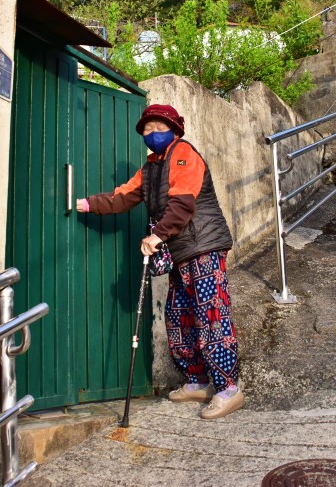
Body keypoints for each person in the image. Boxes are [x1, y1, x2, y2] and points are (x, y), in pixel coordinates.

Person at [76, 104, 243, 419]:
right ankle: (197, 381)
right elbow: (122, 197)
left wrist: (157, 236)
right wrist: (86, 204)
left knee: (211, 316)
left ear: (175, 130)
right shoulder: (150, 168)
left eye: (159, 128)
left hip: (204, 246)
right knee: (178, 317)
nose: (152, 134)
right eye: (147, 129)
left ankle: (228, 389)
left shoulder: (183, 154)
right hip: (180, 252)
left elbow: (183, 203)